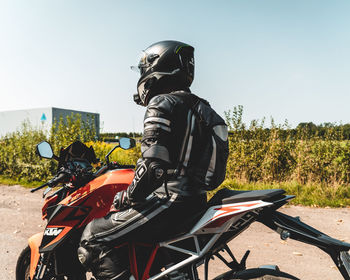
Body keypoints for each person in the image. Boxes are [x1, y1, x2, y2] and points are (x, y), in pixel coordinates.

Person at [77, 40, 229, 280]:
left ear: (156, 66)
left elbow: (152, 168)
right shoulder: (204, 108)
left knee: (93, 236)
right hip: (196, 203)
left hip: (168, 202)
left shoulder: (162, 103)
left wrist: (127, 196)